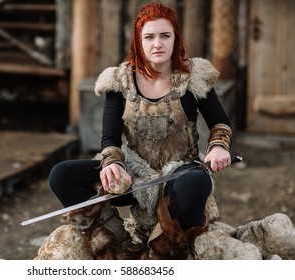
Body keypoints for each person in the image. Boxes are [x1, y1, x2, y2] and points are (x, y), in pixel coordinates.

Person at [48, 2, 232, 259]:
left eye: (165, 36)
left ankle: (165, 248)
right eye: (150, 37)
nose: (158, 43)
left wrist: (218, 146)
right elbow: (110, 139)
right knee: (62, 175)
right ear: (139, 41)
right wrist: (111, 163)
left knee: (196, 182)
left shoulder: (193, 77)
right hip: (134, 177)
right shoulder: (119, 81)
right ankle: (115, 241)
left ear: (175, 38)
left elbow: (220, 124)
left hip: (178, 177)